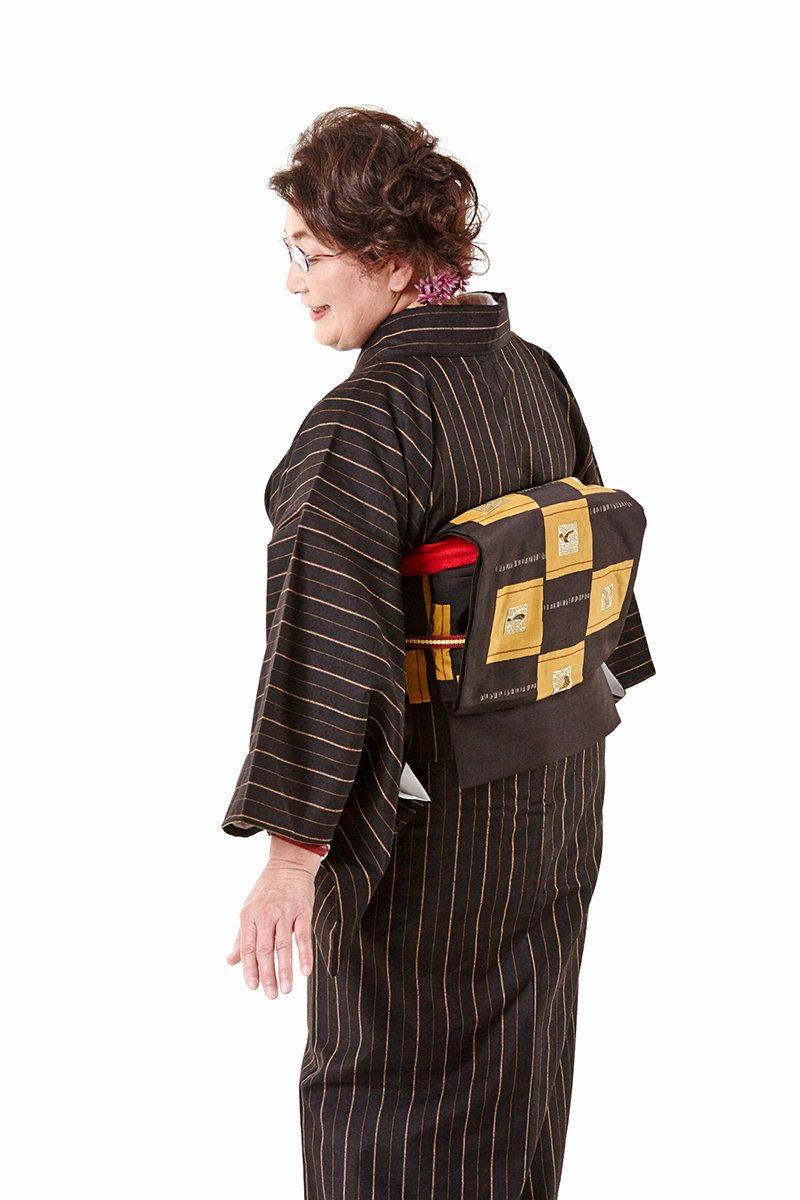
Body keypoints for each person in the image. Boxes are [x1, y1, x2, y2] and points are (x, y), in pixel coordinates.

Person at [223, 106, 655, 1200]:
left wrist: (291, 856)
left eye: (308, 253)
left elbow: (326, 637)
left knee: (386, 1089)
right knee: (515, 1074)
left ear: (385, 253)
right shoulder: (529, 370)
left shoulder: (366, 420)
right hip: (558, 789)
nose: (292, 281)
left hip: (433, 819)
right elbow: (591, 568)